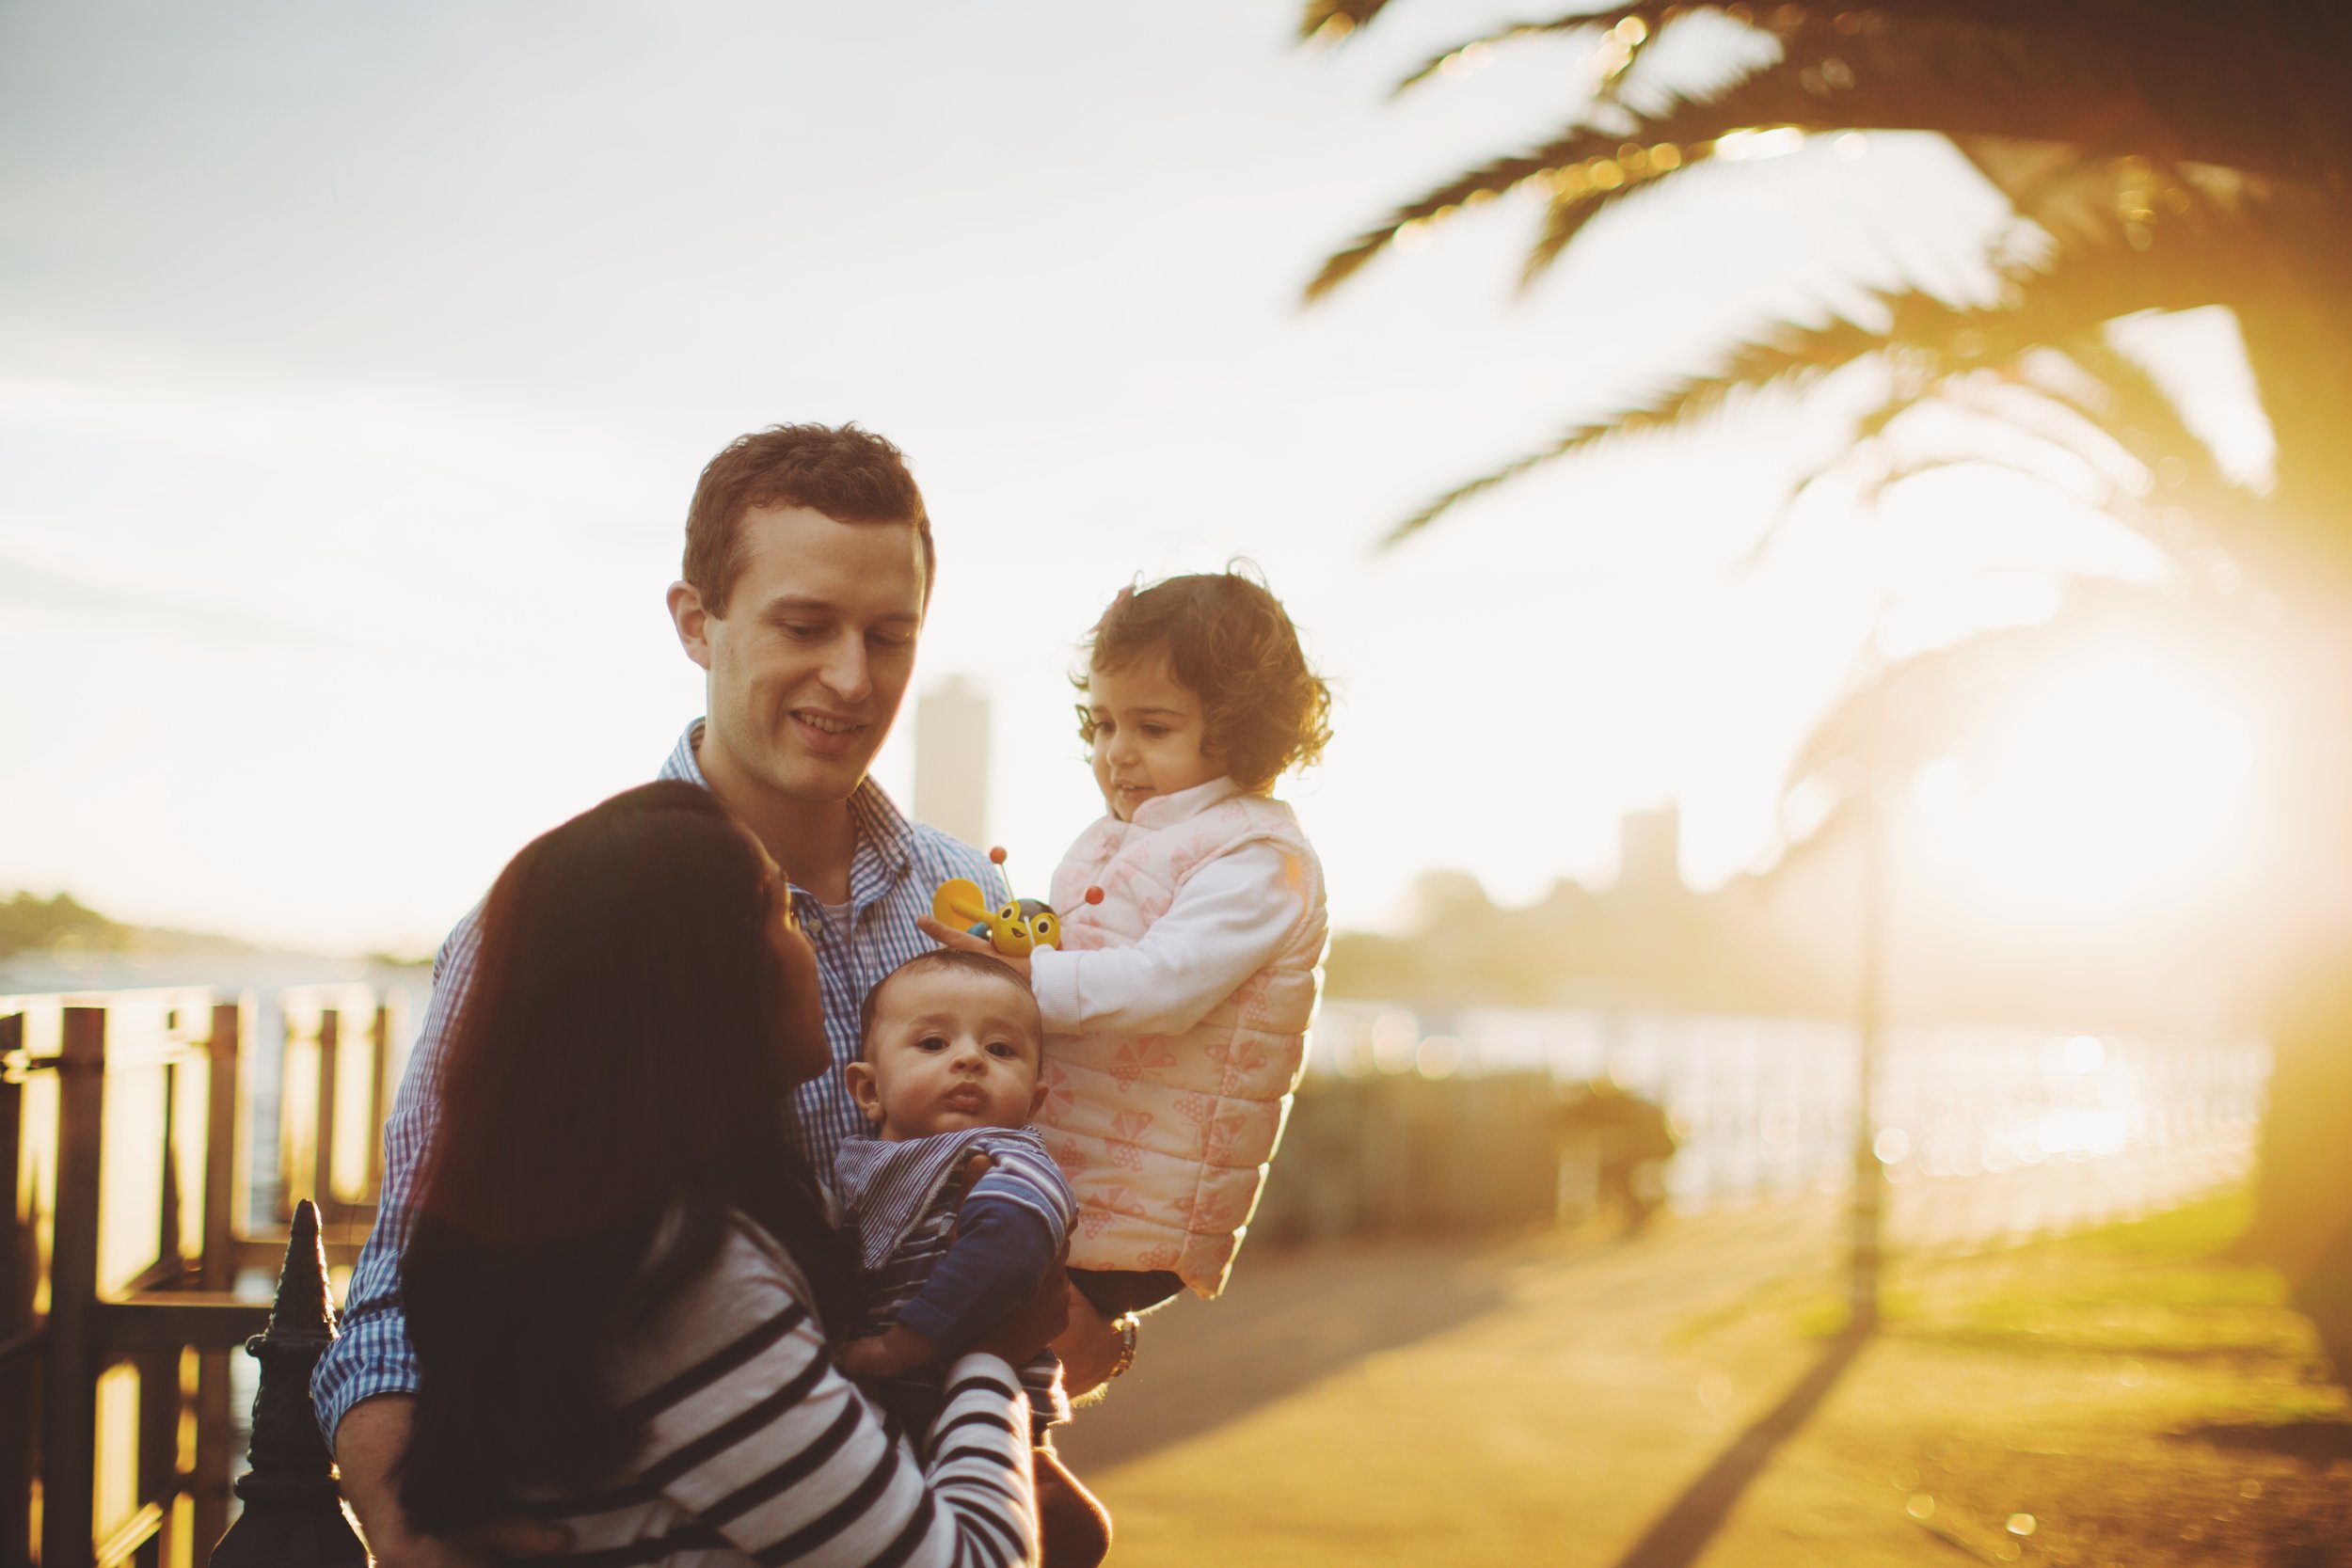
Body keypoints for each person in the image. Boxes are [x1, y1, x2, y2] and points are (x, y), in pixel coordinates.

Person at [313, 423, 1126, 1565]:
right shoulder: (554, 922)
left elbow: (1060, 1160)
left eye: (888, 635)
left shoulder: (969, 894)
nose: (852, 677)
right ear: (697, 621)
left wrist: (1087, 1316)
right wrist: (408, 1530)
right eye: (805, 625)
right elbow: (408, 1273)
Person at [396, 781, 1057, 1565]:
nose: (808, 943)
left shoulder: (615, 1242)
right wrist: (990, 1352)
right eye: (781, 913)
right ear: (704, 981)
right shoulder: (686, 1284)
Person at [921, 567, 1332, 1324]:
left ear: (1241, 729)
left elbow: (1161, 986)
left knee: (968, 1331)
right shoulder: (1117, 840)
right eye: (1102, 724)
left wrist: (1018, 980)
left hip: (1140, 1214)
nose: (1117, 751)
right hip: (1076, 1175)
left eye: (1153, 727)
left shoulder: (1260, 859)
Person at [831, 948, 1109, 1564]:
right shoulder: (857, 1170)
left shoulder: (1007, 1160)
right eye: (932, 1041)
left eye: (1001, 1050)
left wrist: (904, 1343)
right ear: (868, 1089)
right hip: (894, 1413)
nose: (968, 1058)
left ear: (1034, 1102)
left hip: (967, 1393)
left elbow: (1010, 1247)